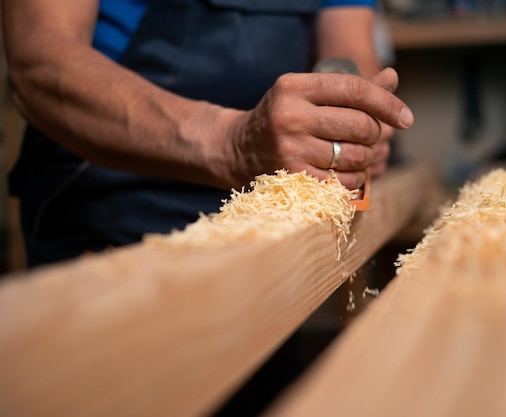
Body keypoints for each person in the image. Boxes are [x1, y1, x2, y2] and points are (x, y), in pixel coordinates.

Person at [2, 0, 415, 268]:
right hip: (106, 210)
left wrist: (353, 123)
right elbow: (40, 59)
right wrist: (233, 144)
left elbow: (347, 45)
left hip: (264, 225)